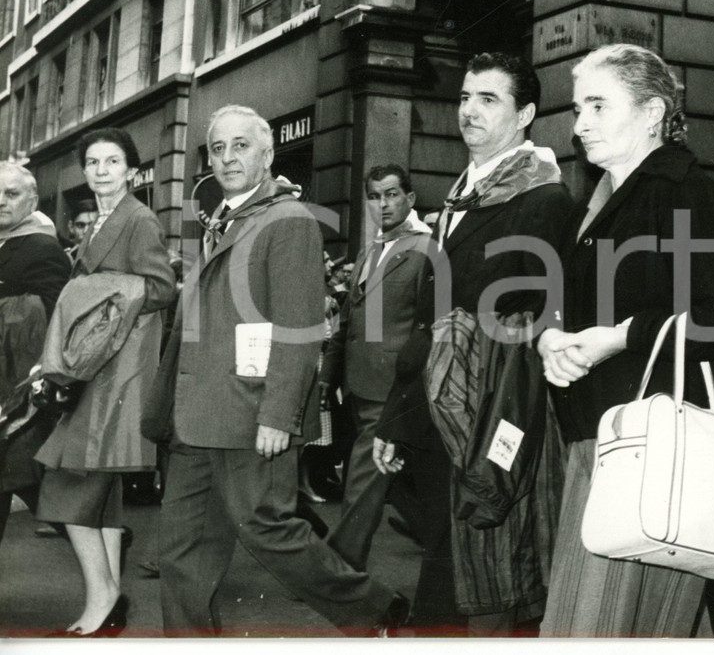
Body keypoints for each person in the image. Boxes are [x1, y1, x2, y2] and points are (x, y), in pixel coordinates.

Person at [156, 104, 405, 637]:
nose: (227, 158)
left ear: (267, 155)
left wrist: (279, 413)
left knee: (267, 530)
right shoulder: (221, 217)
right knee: (180, 549)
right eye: (218, 148)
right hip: (197, 415)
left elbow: (298, 327)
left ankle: (373, 609)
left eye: (240, 146)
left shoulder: (287, 219)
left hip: (249, 412)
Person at [536, 43, 714, 637]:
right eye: (579, 108)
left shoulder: (683, 191)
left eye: (599, 106)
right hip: (605, 442)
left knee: (598, 628)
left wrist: (618, 338)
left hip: (656, 449)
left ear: (653, 111)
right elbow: (570, 303)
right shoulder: (603, 200)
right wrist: (552, 341)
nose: (580, 125)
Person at [374, 52, 574, 635]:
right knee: (456, 574)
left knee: (486, 581)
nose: (468, 111)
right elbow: (432, 321)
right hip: (443, 408)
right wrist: (398, 417)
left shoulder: (543, 199)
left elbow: (527, 326)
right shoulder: (462, 196)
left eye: (489, 99)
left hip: (490, 413)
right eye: (465, 97)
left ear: (526, 114)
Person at [32, 129, 176, 637]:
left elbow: (161, 287)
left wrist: (85, 291)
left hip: (118, 370)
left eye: (113, 161)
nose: (101, 170)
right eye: (93, 162)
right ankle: (108, 600)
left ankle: (104, 597)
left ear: (131, 171)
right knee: (103, 492)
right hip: (100, 368)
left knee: (67, 488)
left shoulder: (138, 219)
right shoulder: (100, 224)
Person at [322, 164, 431, 569]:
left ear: (410, 198)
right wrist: (326, 378)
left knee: (364, 478)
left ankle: (338, 569)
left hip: (393, 389)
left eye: (390, 194)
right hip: (359, 384)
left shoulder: (427, 250)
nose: (382, 204)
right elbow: (347, 323)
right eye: (373, 196)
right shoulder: (371, 250)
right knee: (394, 475)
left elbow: (428, 327)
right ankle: (435, 537)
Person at [0, 164, 73, 547]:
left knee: (31, 482)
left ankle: (103, 551)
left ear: (32, 200)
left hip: (19, 393)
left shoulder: (42, 247)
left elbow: (53, 316)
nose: (0, 201)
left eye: (11, 194)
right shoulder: (5, 241)